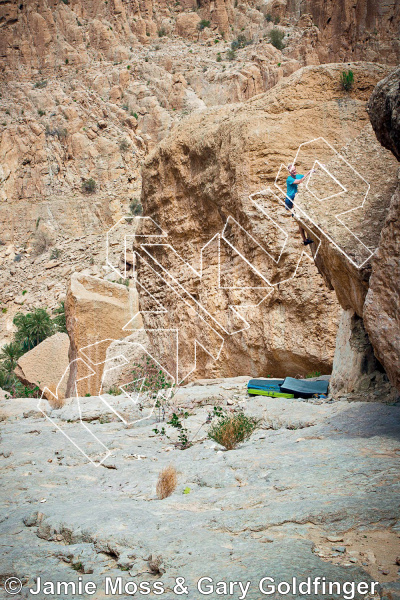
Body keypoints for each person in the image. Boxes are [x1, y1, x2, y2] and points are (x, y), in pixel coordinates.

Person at [285, 163, 314, 246]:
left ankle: (305, 240)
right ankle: (295, 212)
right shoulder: (289, 179)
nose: (294, 171)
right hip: (290, 199)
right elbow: (300, 181)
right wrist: (308, 172)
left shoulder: (299, 175)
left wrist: (316, 170)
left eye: (294, 169)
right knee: (296, 195)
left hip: (295, 199)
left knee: (300, 220)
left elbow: (306, 177)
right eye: (292, 170)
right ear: (289, 172)